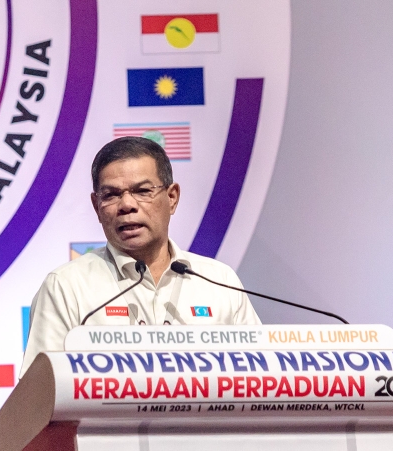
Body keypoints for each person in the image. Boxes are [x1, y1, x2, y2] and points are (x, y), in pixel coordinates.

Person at [20, 136, 260, 375]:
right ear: (96, 206)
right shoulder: (67, 286)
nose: (126, 205)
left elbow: (260, 374)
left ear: (172, 198)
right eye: (111, 195)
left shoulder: (219, 281)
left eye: (143, 191)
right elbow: (39, 396)